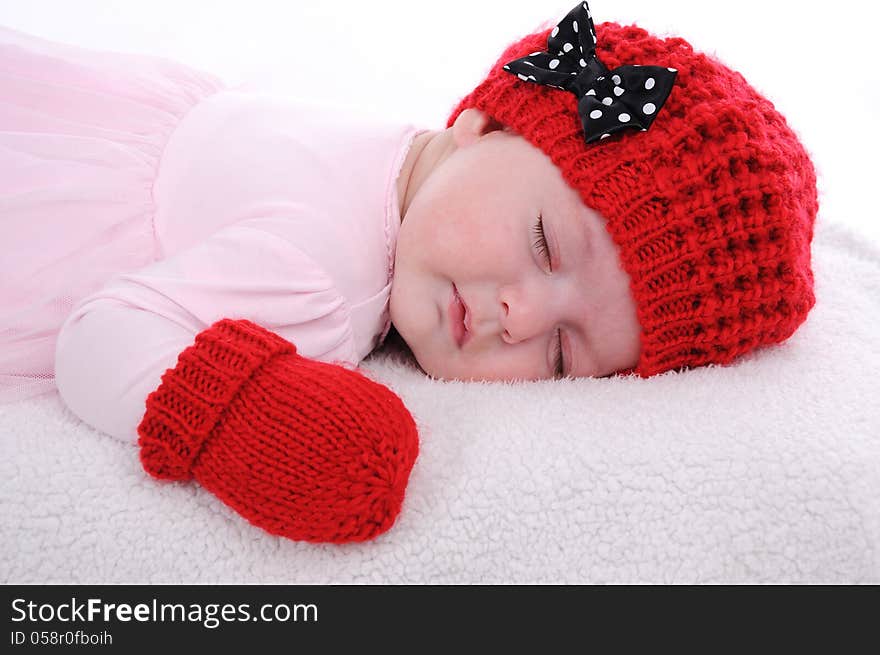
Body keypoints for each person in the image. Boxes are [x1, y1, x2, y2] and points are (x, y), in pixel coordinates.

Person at [0, 2, 818, 542]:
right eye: (543, 243)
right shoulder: (326, 284)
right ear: (485, 121)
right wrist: (241, 415)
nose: (521, 315)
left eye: (564, 353)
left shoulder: (388, 152)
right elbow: (98, 337)